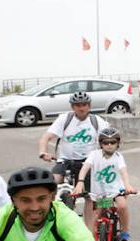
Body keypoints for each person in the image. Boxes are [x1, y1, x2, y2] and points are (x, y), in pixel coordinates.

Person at [37, 91, 106, 225]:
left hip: (88, 163)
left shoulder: (96, 120)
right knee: (52, 183)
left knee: (90, 196)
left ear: (89, 106)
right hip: (65, 161)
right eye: (78, 105)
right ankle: (50, 219)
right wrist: (43, 152)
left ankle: (87, 230)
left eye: (85, 104)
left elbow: (108, 138)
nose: (81, 108)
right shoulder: (65, 119)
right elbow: (46, 137)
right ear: (72, 107)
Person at [73, 127, 136, 241]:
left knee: (122, 206)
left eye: (113, 142)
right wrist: (80, 182)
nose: (109, 145)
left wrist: (127, 185)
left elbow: (124, 172)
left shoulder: (118, 157)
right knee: (96, 216)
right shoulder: (94, 155)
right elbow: (85, 168)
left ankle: (125, 232)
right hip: (99, 192)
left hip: (116, 190)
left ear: (118, 143)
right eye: (105, 142)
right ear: (101, 144)